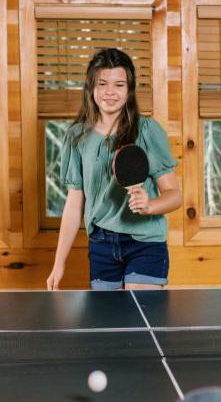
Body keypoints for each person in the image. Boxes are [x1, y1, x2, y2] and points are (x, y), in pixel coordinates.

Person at [47, 48, 181, 291]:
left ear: (129, 91)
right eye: (102, 83)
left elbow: (174, 194)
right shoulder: (76, 137)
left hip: (145, 243)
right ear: (91, 88)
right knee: (111, 325)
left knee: (140, 324)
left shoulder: (147, 131)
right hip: (101, 244)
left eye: (119, 84)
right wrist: (59, 263)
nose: (110, 92)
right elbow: (74, 204)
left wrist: (150, 205)